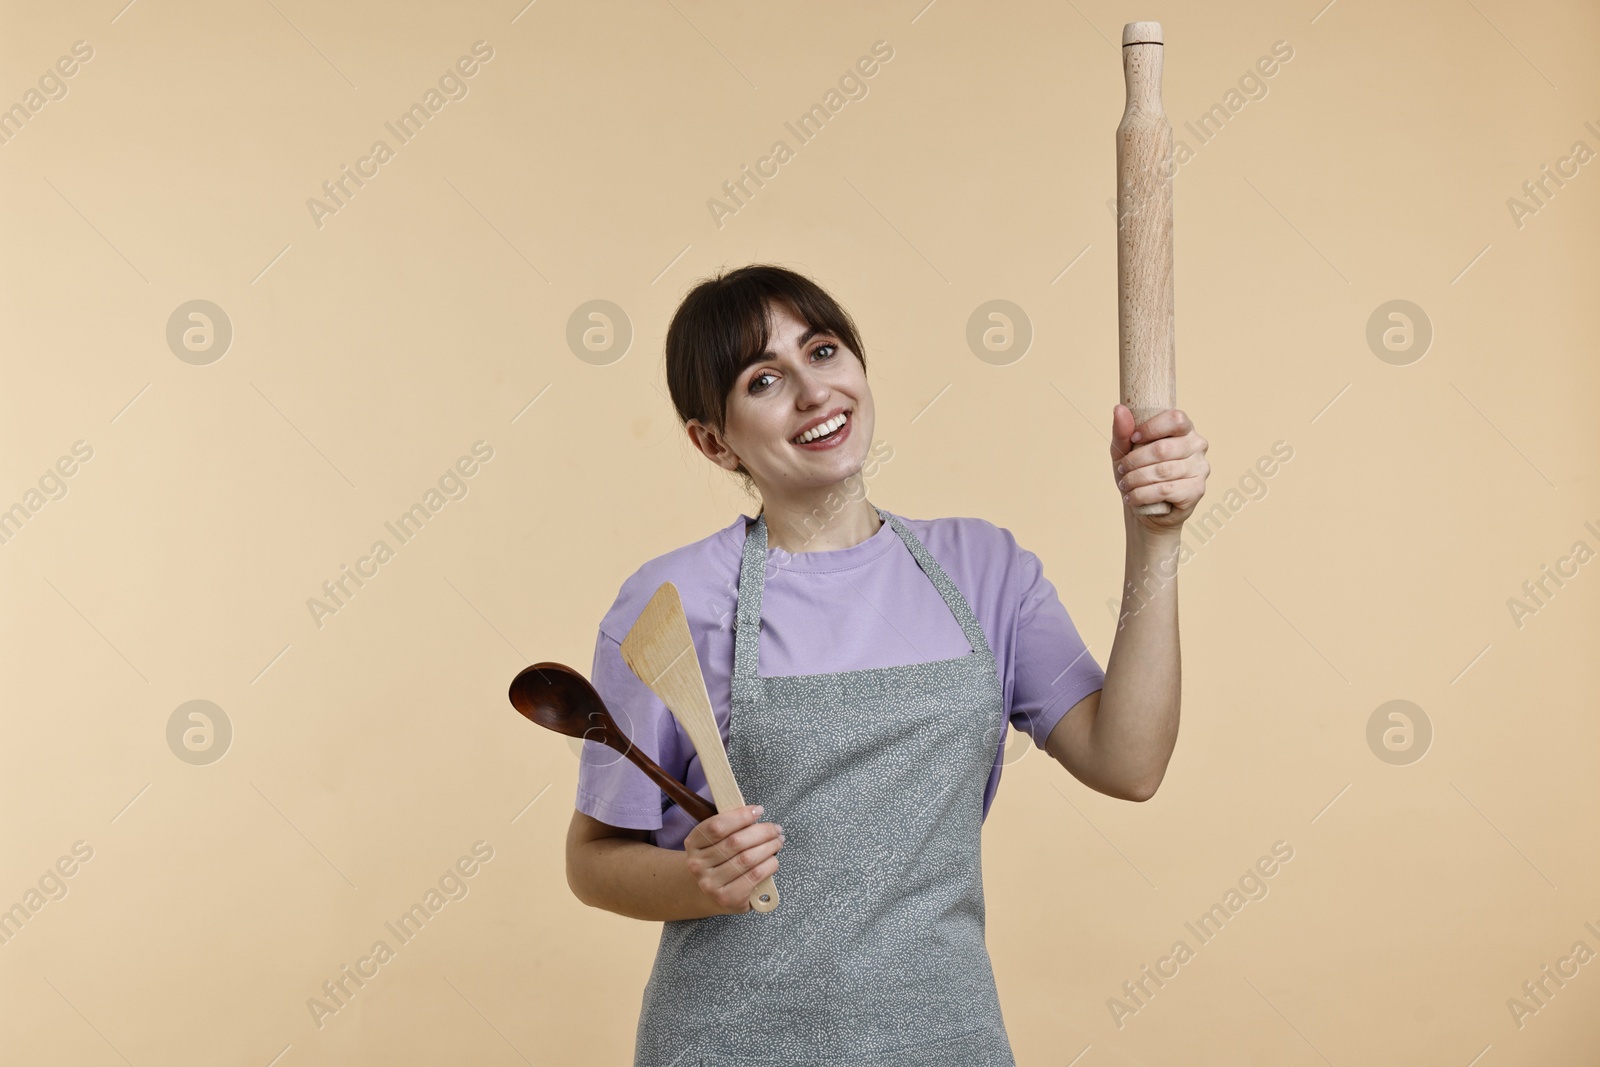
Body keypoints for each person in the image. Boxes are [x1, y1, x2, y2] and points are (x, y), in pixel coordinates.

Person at [565, 264, 1209, 1066]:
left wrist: (1156, 537)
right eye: (765, 379)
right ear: (712, 439)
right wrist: (695, 880)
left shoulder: (984, 570)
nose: (813, 393)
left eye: (825, 350)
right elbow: (593, 859)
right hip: (727, 1045)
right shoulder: (671, 602)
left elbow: (1131, 760)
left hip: (947, 1040)